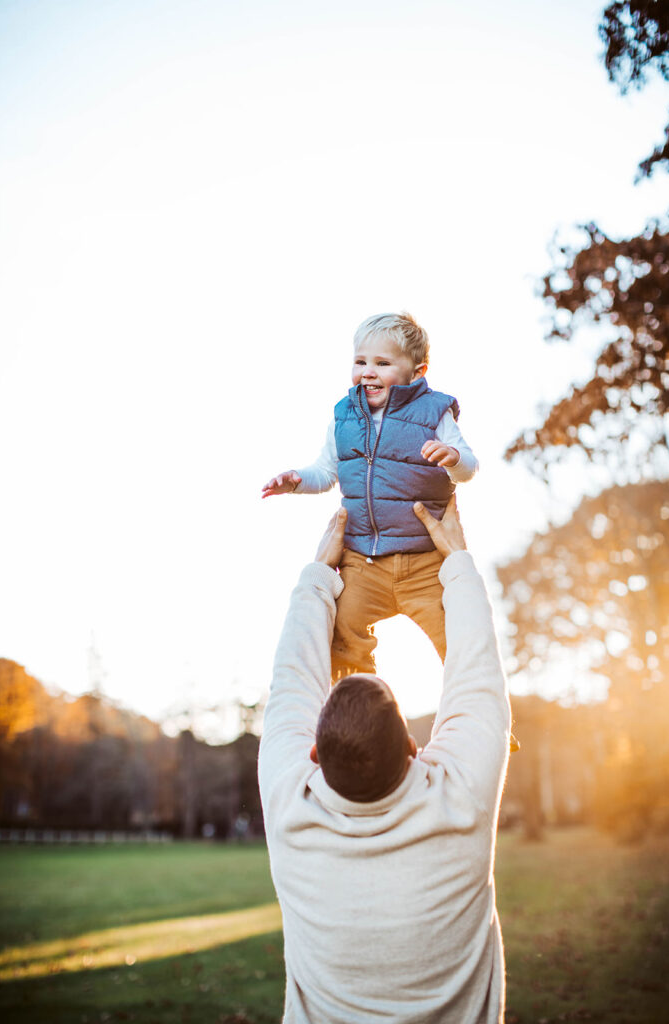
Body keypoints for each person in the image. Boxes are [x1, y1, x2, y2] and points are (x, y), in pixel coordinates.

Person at [258, 500, 511, 1023]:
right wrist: (455, 558)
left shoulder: (289, 803)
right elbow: (477, 670)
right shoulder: (460, 797)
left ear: (313, 755)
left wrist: (320, 575)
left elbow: (293, 673)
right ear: (415, 748)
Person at [261, 312, 478, 680]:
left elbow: (469, 467)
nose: (368, 372)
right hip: (364, 561)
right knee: (342, 633)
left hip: (425, 563)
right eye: (361, 361)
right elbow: (327, 472)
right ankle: (360, 713)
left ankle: (493, 731)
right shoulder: (344, 417)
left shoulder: (434, 413)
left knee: (460, 641)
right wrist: (297, 480)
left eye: (382, 363)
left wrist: (453, 458)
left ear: (418, 370)